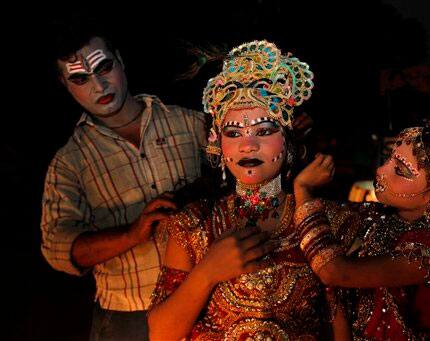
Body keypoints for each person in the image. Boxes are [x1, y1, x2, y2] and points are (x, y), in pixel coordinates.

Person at [148, 40, 358, 340]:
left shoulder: (327, 222)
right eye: (233, 133)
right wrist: (207, 273)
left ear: (289, 143)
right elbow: (160, 334)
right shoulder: (193, 225)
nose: (248, 144)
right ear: (217, 144)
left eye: (264, 131)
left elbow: (342, 328)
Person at [40, 19, 206, 340]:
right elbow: (57, 247)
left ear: (120, 60)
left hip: (205, 299)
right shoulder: (71, 161)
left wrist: (287, 136)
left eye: (103, 68)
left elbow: (246, 167)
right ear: (65, 85)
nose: (99, 87)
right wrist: (131, 234)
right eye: (80, 78)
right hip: (129, 316)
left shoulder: (189, 123)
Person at [293, 118, 430, 339]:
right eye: (389, 159)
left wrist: (303, 188)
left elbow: (335, 272)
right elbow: (323, 216)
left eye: (401, 170)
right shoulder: (387, 217)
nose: (380, 170)